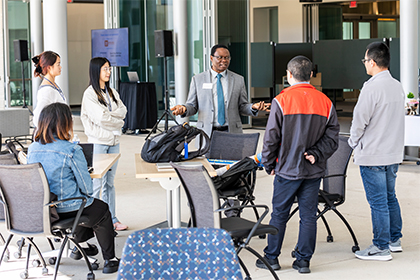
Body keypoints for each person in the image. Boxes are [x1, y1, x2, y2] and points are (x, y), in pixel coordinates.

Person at [256, 56, 339, 274]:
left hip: (287, 169)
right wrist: (316, 154)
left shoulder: (281, 101)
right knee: (308, 216)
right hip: (313, 170)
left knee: (279, 214)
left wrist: (268, 163)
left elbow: (271, 137)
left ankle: (271, 258)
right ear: (312, 75)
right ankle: (303, 262)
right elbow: (333, 137)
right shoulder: (325, 102)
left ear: (288, 75)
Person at [27, 103, 120, 274]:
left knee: (86, 205)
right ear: (65, 123)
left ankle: (80, 247)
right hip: (66, 208)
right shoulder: (71, 150)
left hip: (42, 209)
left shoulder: (32, 149)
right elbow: (87, 189)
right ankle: (110, 260)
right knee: (100, 209)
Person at [348, 42, 404, 261]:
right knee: (390, 197)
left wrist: (352, 142)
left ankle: (380, 247)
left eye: (365, 61)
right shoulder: (397, 86)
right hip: (392, 153)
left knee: (378, 202)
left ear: (372, 61)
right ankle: (394, 240)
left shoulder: (371, 87)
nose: (365, 64)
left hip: (373, 154)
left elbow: (359, 121)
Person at [170, 44, 270, 138]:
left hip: (231, 132)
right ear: (211, 58)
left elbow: (242, 106)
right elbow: (192, 106)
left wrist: (253, 107)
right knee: (208, 157)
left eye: (227, 57)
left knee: (232, 157)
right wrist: (184, 108)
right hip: (207, 132)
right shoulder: (198, 79)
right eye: (220, 57)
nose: (224, 60)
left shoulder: (238, 80)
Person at [81, 57, 128, 231]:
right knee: (96, 184)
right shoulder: (90, 94)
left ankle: (112, 219)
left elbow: (123, 110)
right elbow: (101, 118)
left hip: (114, 141)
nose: (108, 72)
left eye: (109, 69)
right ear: (96, 71)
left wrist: (114, 117)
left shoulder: (112, 92)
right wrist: (118, 121)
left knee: (110, 183)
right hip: (99, 142)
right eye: (105, 69)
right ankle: (91, 221)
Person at [32, 51, 66, 128]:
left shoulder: (53, 85)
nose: (60, 67)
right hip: (53, 136)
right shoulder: (47, 90)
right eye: (58, 64)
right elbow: (37, 118)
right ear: (49, 67)